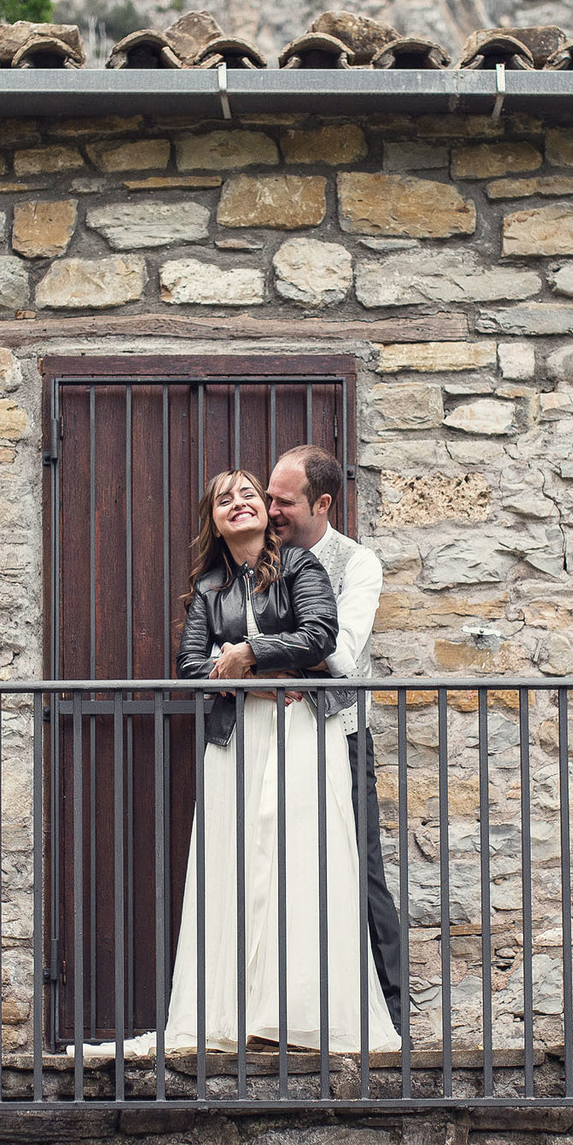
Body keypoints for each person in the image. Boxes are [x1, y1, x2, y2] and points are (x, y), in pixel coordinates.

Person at [150, 468, 401, 1055]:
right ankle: (238, 1010)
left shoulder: (303, 566)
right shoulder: (209, 587)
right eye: (224, 498)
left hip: (302, 729)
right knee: (239, 865)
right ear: (212, 520)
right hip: (239, 735)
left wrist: (247, 654)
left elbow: (322, 636)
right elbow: (189, 667)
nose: (241, 503)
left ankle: (306, 1015)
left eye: (250, 494)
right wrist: (243, 680)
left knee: (306, 864)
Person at [266, 445, 406, 1030]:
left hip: (340, 734)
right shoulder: (259, 559)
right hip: (268, 738)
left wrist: (269, 661)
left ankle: (392, 1023)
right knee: (272, 874)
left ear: (322, 503)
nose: (271, 509)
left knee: (359, 869)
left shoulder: (357, 562)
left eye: (284, 501)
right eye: (268, 497)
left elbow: (343, 655)